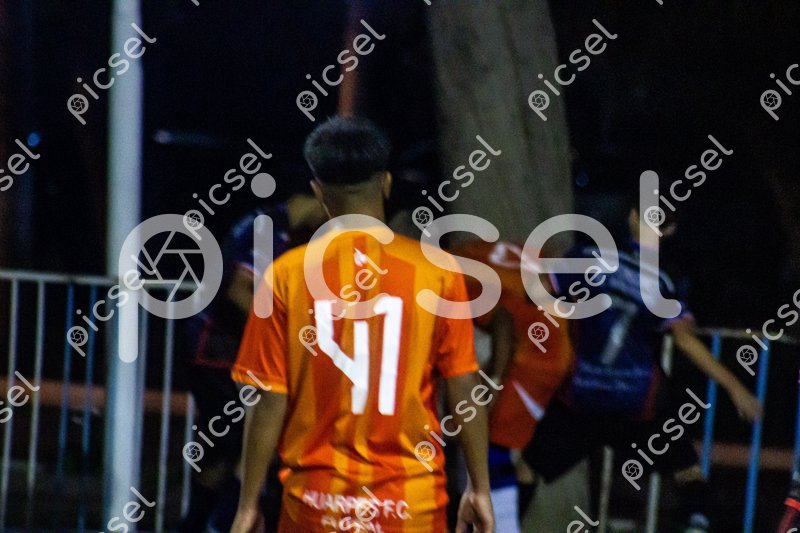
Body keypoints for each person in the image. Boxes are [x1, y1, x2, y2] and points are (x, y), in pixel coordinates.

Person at [229, 116, 494, 533]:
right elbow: (464, 386)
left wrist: (248, 504)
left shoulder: (284, 276)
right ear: (386, 183)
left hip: (314, 508)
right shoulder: (439, 273)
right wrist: (480, 488)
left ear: (319, 192)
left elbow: (268, 398)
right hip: (412, 508)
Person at [523, 199, 762, 532]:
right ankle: (696, 524)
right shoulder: (664, 282)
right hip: (636, 403)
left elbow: (537, 294)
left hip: (582, 394)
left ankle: (500, 523)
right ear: (670, 230)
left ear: (632, 216)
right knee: (687, 471)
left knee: (525, 467)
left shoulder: (587, 257)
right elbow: (685, 341)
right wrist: (735, 388)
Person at [180, 193, 324, 532]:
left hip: (210, 351)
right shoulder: (270, 229)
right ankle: (226, 522)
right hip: (218, 353)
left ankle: (197, 525)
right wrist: (282, 333)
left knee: (222, 454)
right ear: (317, 197)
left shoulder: (265, 222)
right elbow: (239, 289)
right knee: (259, 442)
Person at [453, 240, 574, 533]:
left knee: (490, 442)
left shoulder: (454, 279)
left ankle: (505, 526)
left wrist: (493, 382)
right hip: (552, 341)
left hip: (537, 358)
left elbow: (503, 322)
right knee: (495, 447)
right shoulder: (472, 251)